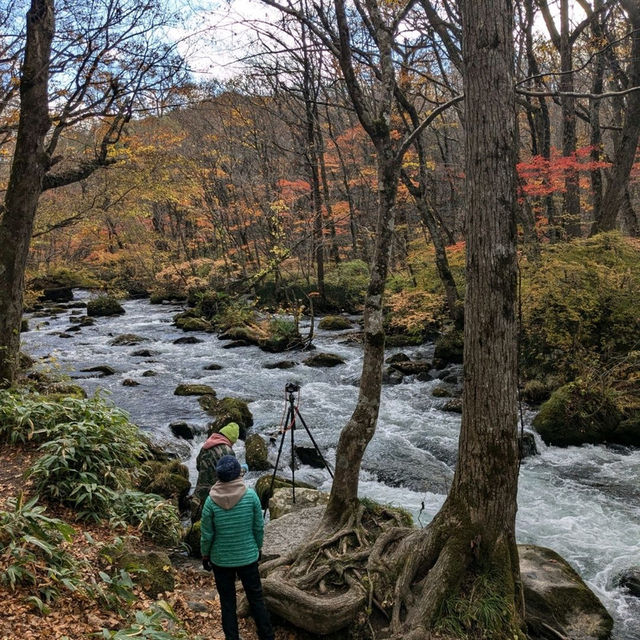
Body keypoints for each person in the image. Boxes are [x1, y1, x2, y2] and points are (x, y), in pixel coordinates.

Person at [201, 455, 274, 640]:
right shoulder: (250, 496)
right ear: (238, 475)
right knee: (256, 599)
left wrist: (205, 555)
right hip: (248, 557)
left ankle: (231, 638)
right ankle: (267, 636)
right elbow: (258, 527)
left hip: (221, 559)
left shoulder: (210, 501)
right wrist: (258, 548)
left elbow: (207, 534)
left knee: (227, 603)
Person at [192, 422, 239, 520]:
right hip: (216, 494)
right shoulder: (227, 451)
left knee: (198, 522)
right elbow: (231, 476)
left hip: (199, 493)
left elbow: (198, 465)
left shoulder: (206, 445)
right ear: (231, 439)